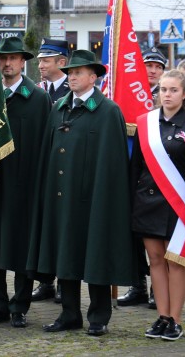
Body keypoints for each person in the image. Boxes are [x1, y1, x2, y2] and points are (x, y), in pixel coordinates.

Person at [28, 49, 136, 336]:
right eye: (71, 72)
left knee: (96, 254)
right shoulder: (59, 107)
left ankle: (99, 316)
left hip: (93, 200)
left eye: (79, 73)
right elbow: (49, 153)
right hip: (62, 197)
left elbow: (112, 164)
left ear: (93, 77)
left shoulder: (108, 111)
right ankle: (69, 314)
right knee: (65, 255)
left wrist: (104, 200)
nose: (73, 77)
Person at [0, 37, 51, 328]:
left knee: (21, 248)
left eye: (13, 58)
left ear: (24, 62)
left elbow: (45, 144)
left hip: (23, 186)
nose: (7, 63)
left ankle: (20, 306)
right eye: (2, 58)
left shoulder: (37, 98)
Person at [132, 69, 185, 341]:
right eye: (163, 90)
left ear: (184, 94)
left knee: (175, 262)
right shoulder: (146, 123)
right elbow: (136, 168)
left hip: (178, 206)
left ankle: (175, 321)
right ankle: (162, 317)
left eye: (173, 90)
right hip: (147, 201)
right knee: (155, 259)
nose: (166, 94)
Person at [118, 46, 168, 309]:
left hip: (161, 178)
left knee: (158, 237)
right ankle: (138, 285)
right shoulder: (128, 94)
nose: (152, 71)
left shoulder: (168, 97)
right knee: (134, 233)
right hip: (133, 172)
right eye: (148, 65)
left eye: (158, 67)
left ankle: (157, 289)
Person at [32, 37, 70, 303]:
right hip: (41, 164)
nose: (41, 64)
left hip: (62, 167)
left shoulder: (69, 91)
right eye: (40, 60)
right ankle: (45, 280)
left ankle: (62, 282)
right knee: (43, 226)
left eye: (46, 60)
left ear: (62, 62)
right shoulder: (38, 89)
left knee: (60, 226)